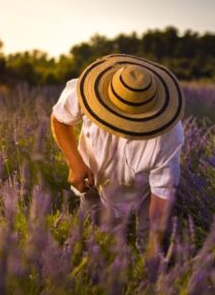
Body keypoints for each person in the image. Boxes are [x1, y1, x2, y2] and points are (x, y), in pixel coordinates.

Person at [50, 54, 184, 254]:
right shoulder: (86, 92)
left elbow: (161, 194)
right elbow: (59, 119)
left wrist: (152, 248)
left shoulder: (168, 136)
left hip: (144, 190)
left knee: (149, 243)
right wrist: (75, 163)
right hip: (93, 181)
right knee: (93, 243)